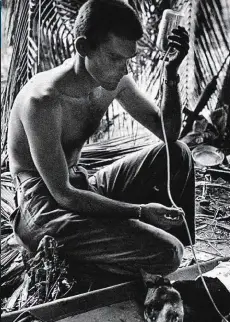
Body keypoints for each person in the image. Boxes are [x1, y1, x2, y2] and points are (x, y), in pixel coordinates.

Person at [7, 0, 194, 281]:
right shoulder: (43, 102)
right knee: (168, 254)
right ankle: (77, 263)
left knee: (178, 153)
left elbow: (169, 134)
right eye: (115, 58)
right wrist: (141, 212)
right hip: (43, 209)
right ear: (83, 48)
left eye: (128, 59)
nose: (124, 69)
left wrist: (170, 74)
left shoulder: (114, 80)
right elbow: (64, 194)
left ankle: (173, 250)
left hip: (81, 185)